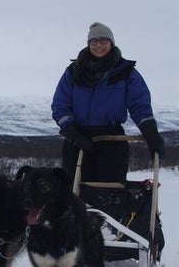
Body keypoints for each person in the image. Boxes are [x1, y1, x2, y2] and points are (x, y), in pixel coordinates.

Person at [51, 22, 165, 183]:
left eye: (103, 40)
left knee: (110, 193)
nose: (99, 45)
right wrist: (73, 133)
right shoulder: (73, 72)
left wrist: (151, 134)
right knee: (75, 194)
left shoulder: (125, 72)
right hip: (78, 140)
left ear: (111, 43)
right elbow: (60, 105)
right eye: (94, 41)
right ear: (89, 44)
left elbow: (140, 105)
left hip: (112, 142)